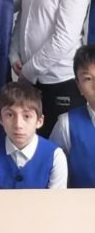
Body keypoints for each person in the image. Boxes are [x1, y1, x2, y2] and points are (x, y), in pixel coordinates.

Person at [8, 0, 91, 137]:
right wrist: (14, 54)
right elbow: (22, 20)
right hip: (31, 80)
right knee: (32, 139)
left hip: (59, 81)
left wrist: (28, 71)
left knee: (58, 142)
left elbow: (63, 39)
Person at [0, 82, 67, 189]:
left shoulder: (55, 156)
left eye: (27, 116)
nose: (18, 125)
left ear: (39, 121)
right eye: (10, 115)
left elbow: (56, 198)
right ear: (0, 118)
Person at [50, 45, 95, 187]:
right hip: (80, 201)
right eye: (88, 78)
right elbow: (54, 173)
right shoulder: (66, 124)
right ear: (79, 86)